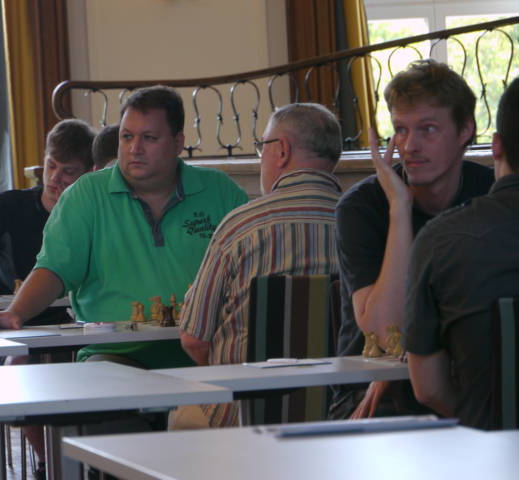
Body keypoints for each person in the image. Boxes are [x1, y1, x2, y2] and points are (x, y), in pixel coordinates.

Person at [0, 85, 248, 371]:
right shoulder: (86, 194)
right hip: (115, 354)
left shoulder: (220, 191)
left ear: (177, 142)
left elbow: (252, 266)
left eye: (149, 138)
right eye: (127, 136)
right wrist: (16, 312)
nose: (135, 148)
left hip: (209, 353)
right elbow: (54, 269)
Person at [330, 59, 495, 419]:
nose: (410, 146)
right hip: (369, 394)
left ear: (465, 130)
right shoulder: (362, 207)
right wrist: (400, 208)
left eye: (427, 129)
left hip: (466, 379)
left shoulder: (490, 196)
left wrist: (418, 361)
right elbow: (384, 332)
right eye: (401, 130)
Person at [177, 103, 342, 428]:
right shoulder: (367, 227)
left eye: (262, 146)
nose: (260, 158)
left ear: (282, 150)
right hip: (341, 417)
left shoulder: (241, 227)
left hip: (242, 418)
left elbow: (194, 338)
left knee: (179, 416)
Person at [0, 119, 96, 474]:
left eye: (68, 171)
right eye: (50, 165)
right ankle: (48, 460)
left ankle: (77, 458)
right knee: (18, 369)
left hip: (81, 323)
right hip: (23, 323)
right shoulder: (8, 205)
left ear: (90, 173)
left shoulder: (94, 211)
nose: (55, 178)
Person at [405, 77, 519, 430]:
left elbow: (428, 388)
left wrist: (485, 425)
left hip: (491, 451)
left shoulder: (441, 239)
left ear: (496, 146)